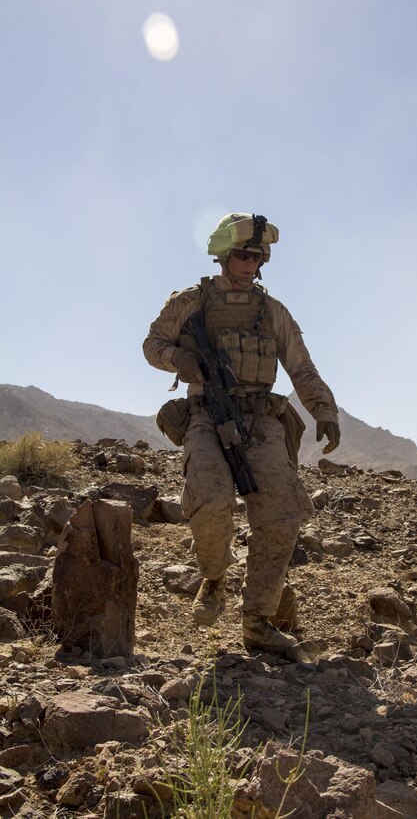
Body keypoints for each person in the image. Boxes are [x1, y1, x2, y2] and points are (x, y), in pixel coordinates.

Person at [143, 213, 339, 655]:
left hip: (261, 420)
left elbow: (301, 367)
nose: (248, 263)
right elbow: (152, 344)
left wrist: (324, 410)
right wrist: (183, 361)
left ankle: (258, 621)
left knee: (282, 513)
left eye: (256, 256)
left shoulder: (272, 311)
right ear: (223, 256)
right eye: (240, 255)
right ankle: (214, 578)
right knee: (210, 500)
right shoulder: (193, 301)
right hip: (207, 415)